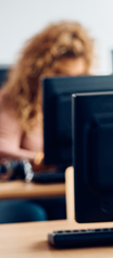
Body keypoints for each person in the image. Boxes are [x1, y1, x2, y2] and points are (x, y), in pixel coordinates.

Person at [0, 20, 95, 223]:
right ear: (38, 70)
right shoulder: (12, 99)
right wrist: (39, 159)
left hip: (66, 188)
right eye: (60, 75)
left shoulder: (85, 103)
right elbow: (3, 148)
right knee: (33, 215)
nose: (67, 83)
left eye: (76, 77)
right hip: (25, 193)